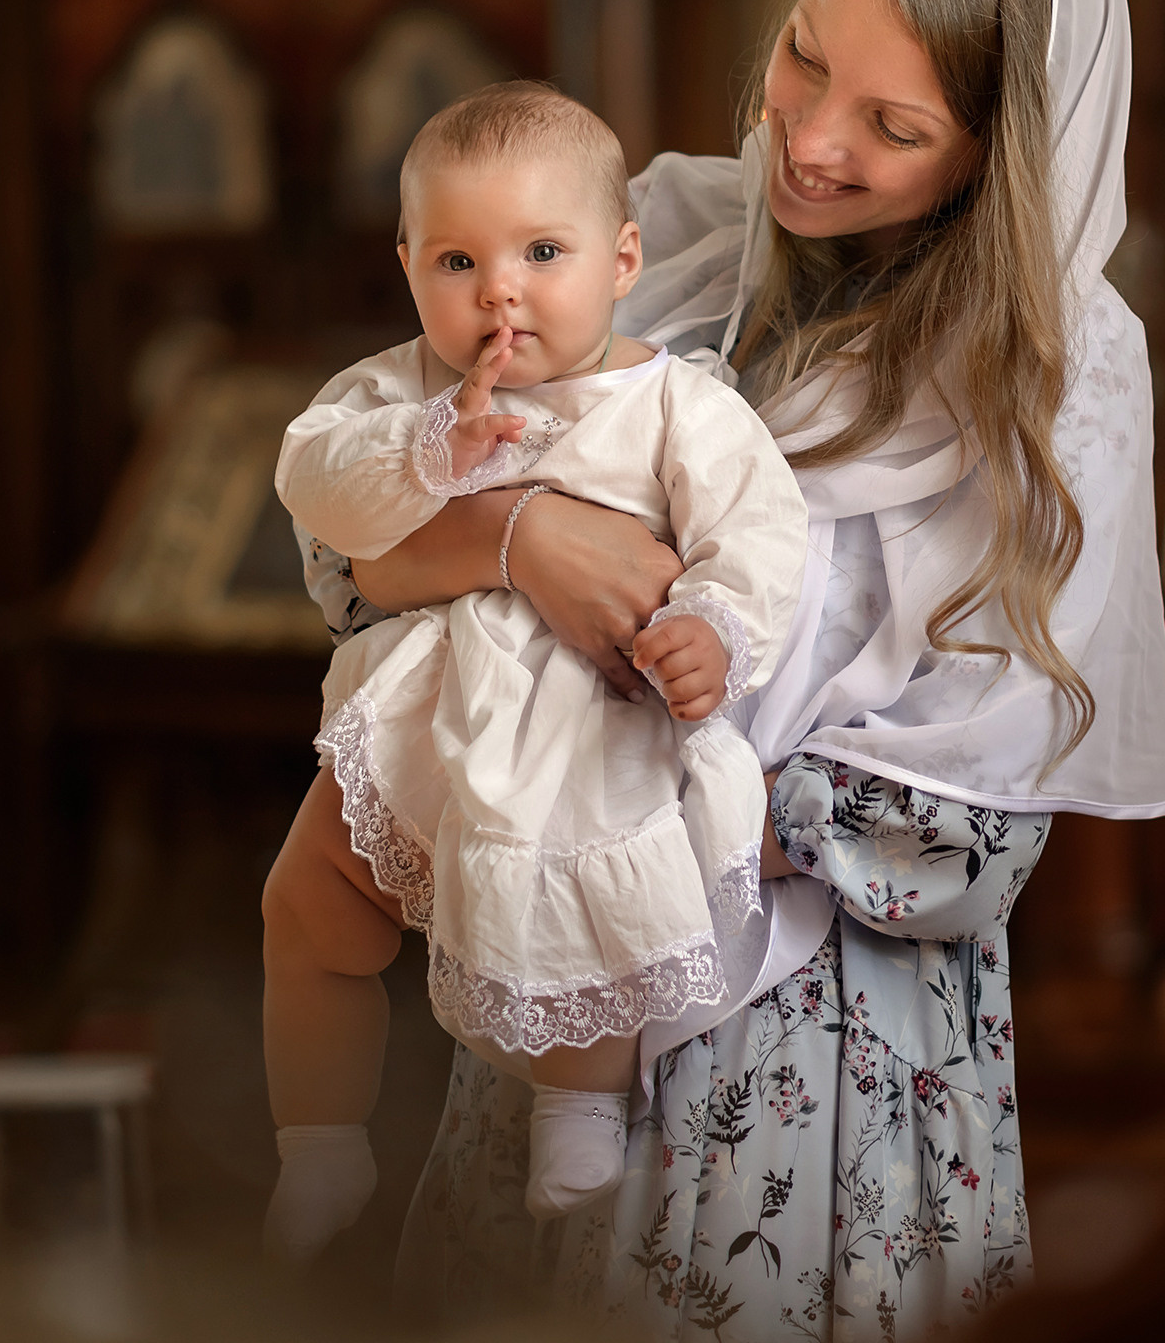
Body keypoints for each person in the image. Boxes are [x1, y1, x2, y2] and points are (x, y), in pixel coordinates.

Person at [278, 0, 1165, 1339]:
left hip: (813, 1055)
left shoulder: (1057, 378)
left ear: (995, 153)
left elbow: (968, 828)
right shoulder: (659, 236)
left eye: (891, 125)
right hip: (553, 972)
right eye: (802, 60)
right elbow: (350, 540)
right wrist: (523, 543)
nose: (811, 142)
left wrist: (642, 770)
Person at [261, 84, 809, 1260]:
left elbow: (758, 530)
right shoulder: (402, 388)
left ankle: (579, 1101)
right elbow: (314, 481)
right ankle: (318, 1143)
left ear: (621, 260)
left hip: (583, 720)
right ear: (405, 263)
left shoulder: (675, 399)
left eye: (541, 252)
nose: (497, 291)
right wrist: (428, 449)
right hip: (429, 715)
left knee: (581, 905)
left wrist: (711, 624)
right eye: (457, 258)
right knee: (305, 903)